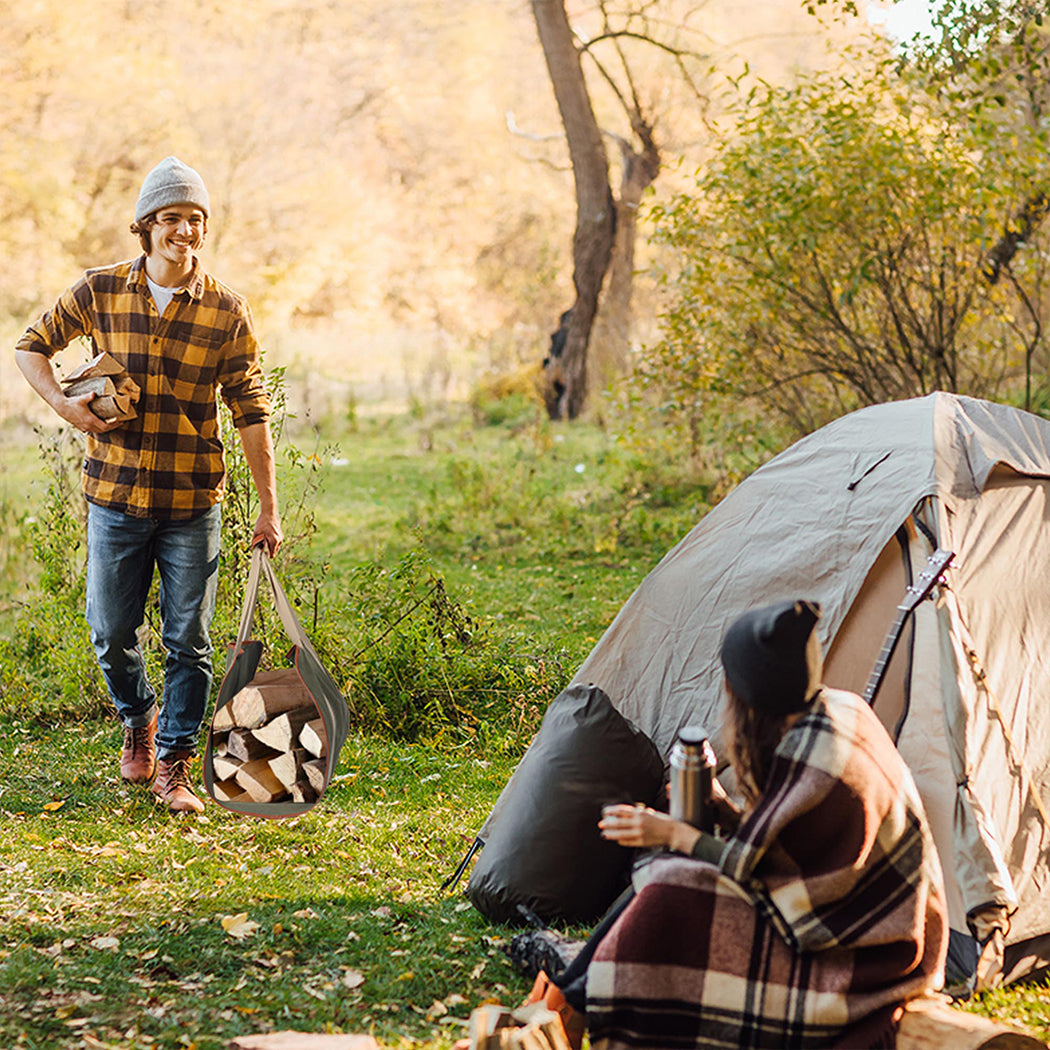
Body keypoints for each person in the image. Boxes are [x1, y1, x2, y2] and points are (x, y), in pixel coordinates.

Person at [527, 599, 948, 1050]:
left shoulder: (815, 758)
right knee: (669, 876)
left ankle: (569, 1010)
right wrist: (723, 810)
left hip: (863, 948)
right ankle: (568, 1001)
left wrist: (669, 832)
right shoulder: (836, 710)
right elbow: (786, 845)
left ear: (748, 692)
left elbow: (748, 863)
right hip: (838, 915)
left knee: (670, 886)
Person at [14, 156, 282, 815]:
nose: (184, 230)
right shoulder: (100, 290)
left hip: (193, 502)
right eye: (171, 218)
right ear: (145, 226)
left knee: (188, 638)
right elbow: (31, 345)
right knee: (110, 629)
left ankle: (175, 767)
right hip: (114, 496)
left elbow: (251, 409)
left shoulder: (226, 311)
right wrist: (65, 406)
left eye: (195, 219)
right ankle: (139, 717)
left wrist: (269, 509)